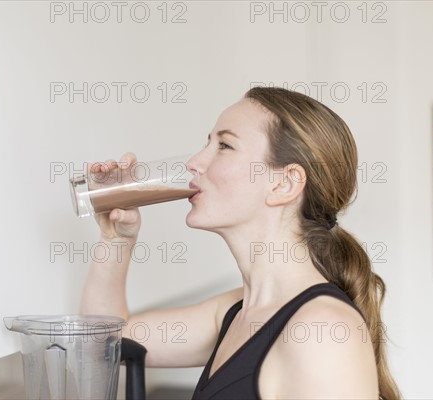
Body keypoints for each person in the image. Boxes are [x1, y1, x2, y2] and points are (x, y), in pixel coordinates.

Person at [80, 86, 401, 399]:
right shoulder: (236, 311)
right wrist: (116, 239)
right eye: (208, 143)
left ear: (283, 183)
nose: (194, 161)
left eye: (224, 146)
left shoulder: (324, 332)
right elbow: (104, 342)